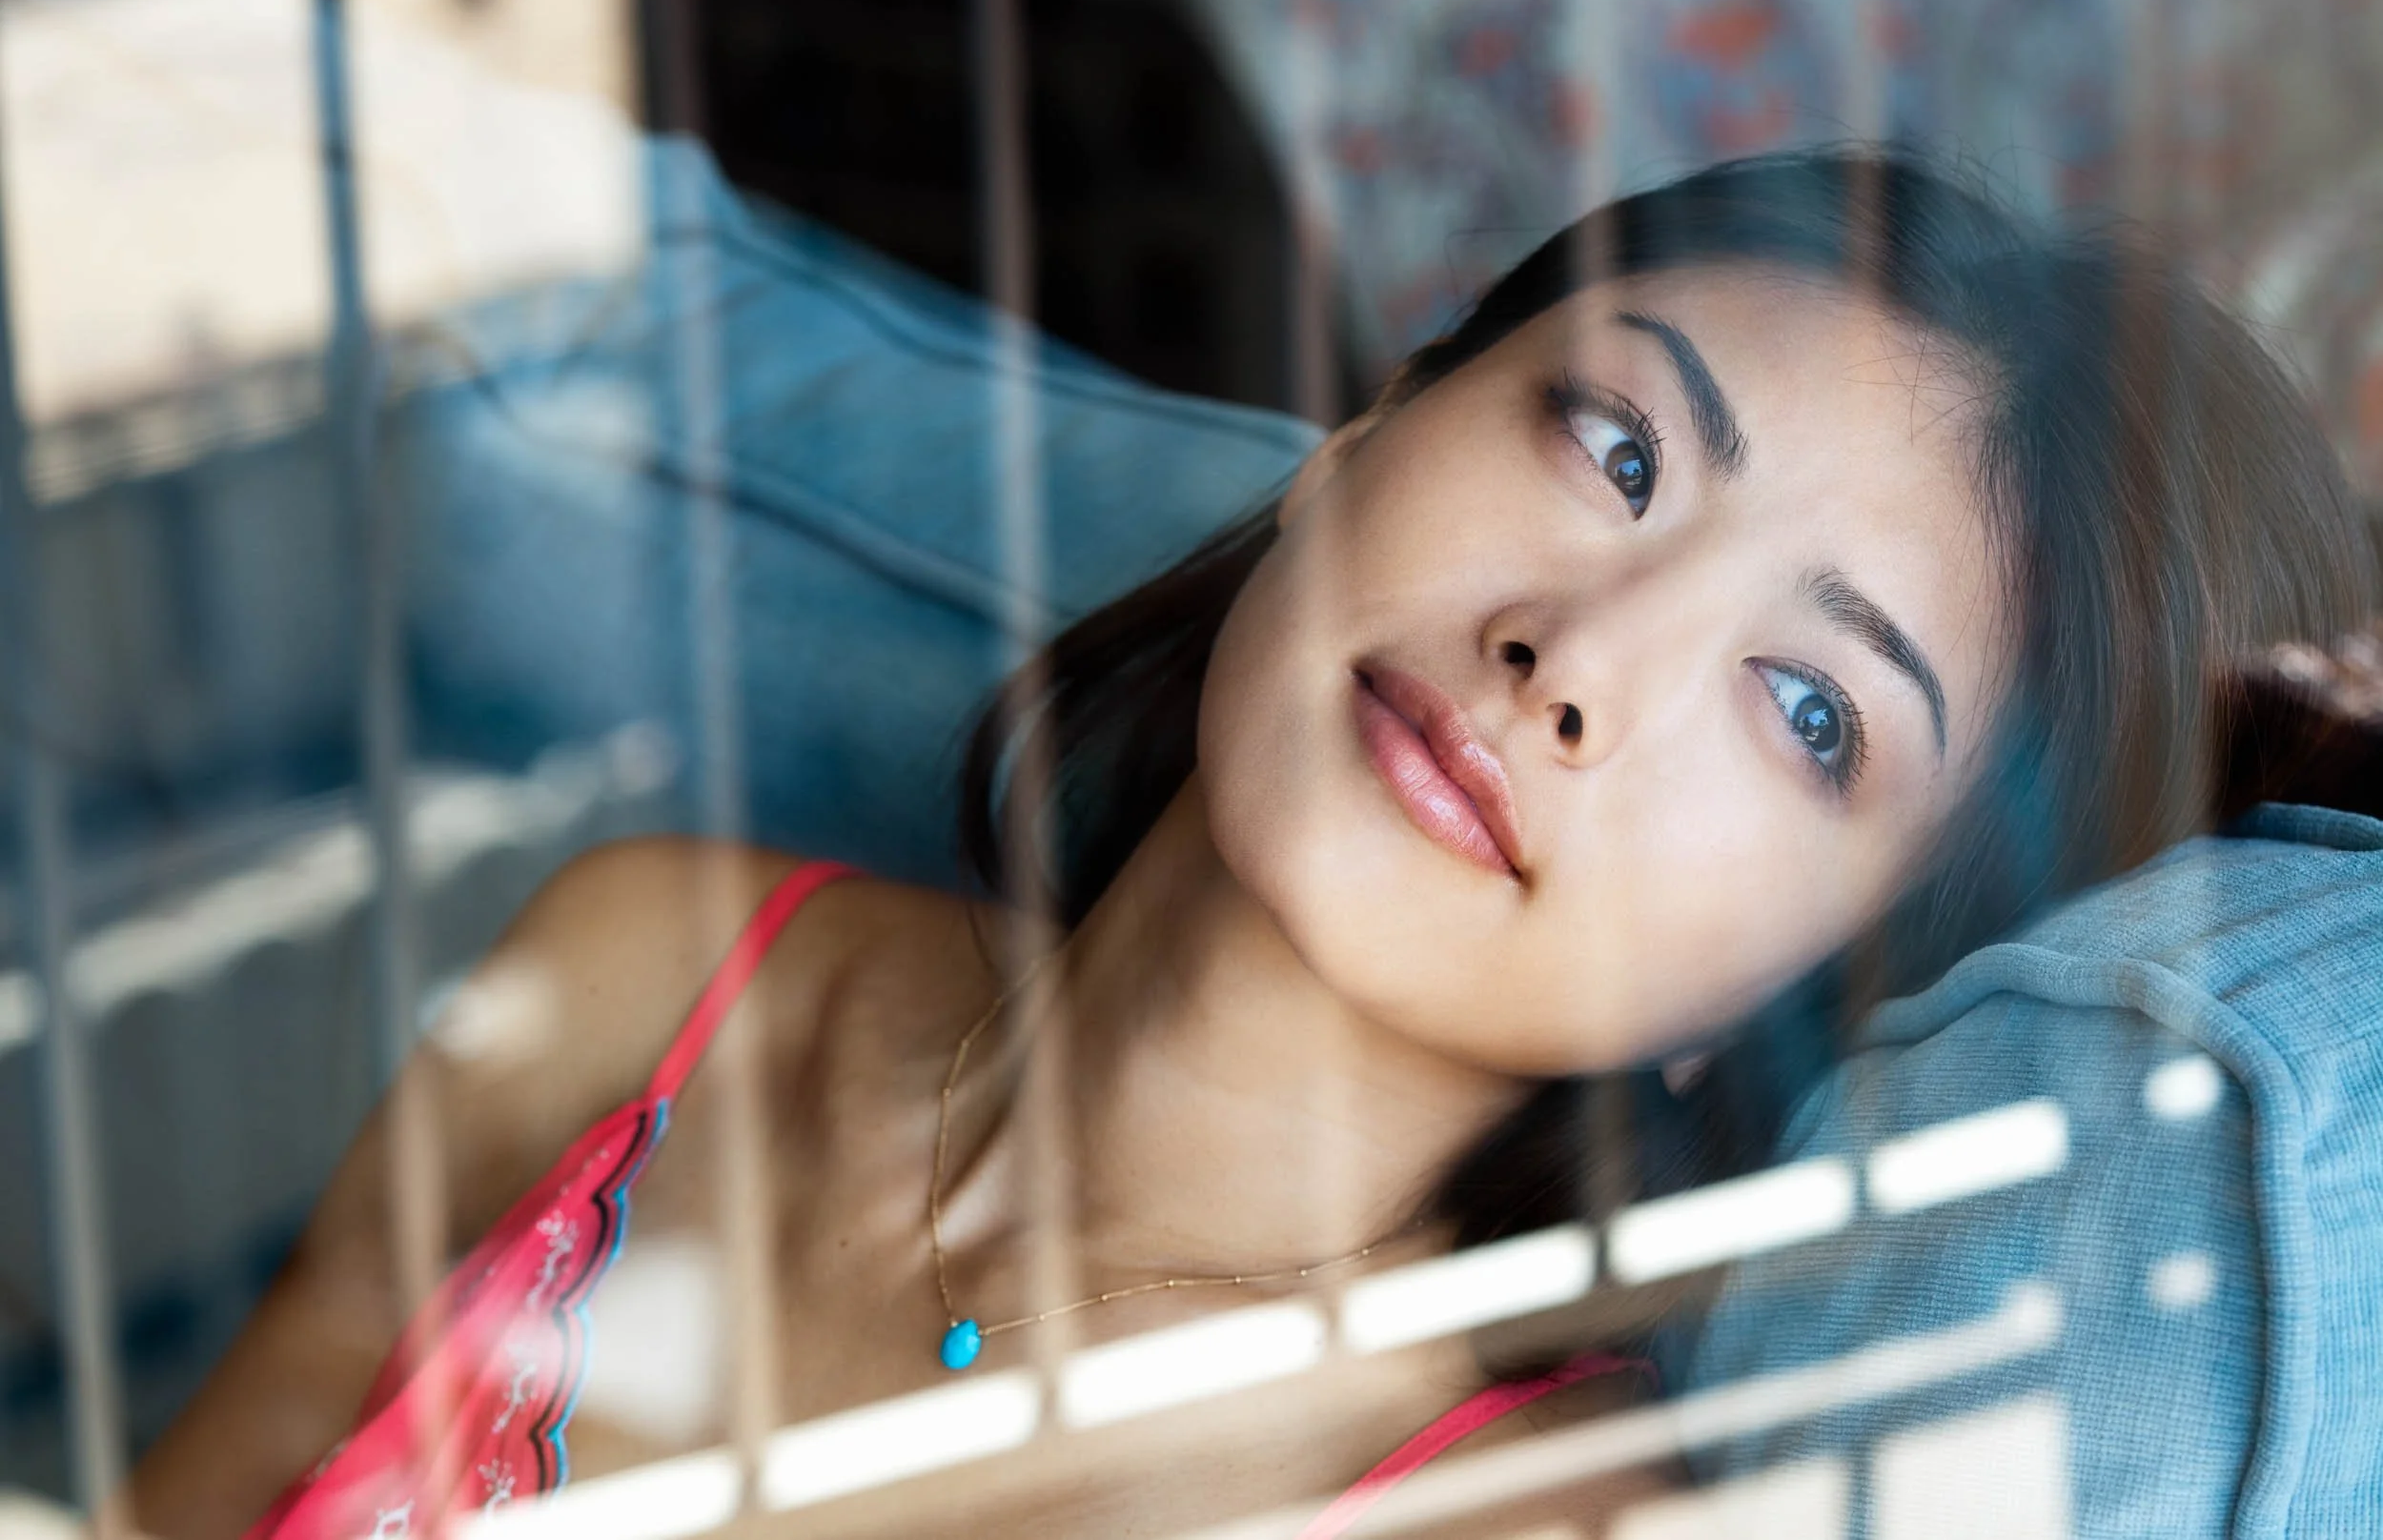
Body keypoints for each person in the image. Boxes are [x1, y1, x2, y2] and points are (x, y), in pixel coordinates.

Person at [128, 149, 2376, 1537]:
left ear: (1818, 981)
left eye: (1808, 712)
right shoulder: (645, 974)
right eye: (1614, 448)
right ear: (1360, 430)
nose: (1572, 656)